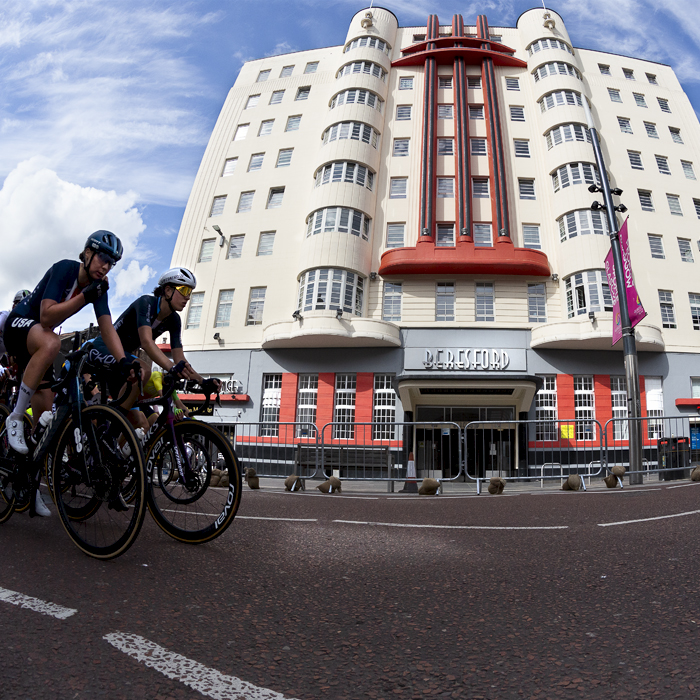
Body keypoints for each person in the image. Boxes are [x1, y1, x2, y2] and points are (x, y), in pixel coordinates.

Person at [3, 232, 135, 515]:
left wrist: (123, 361)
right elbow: (48, 316)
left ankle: (30, 483)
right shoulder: (65, 268)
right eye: (102, 257)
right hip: (20, 327)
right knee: (51, 341)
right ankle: (14, 417)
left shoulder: (98, 288)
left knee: (45, 424)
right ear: (87, 253)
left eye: (112, 263)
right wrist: (85, 296)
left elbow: (107, 328)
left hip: (39, 343)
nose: (105, 266)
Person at [85, 267, 218, 429]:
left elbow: (180, 359)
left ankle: (111, 444)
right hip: (104, 348)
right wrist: (172, 368)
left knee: (140, 422)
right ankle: (113, 428)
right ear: (167, 290)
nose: (187, 297)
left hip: (123, 365)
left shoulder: (174, 320)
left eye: (190, 292)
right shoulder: (146, 303)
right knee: (144, 370)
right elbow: (147, 342)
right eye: (184, 290)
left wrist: (202, 381)